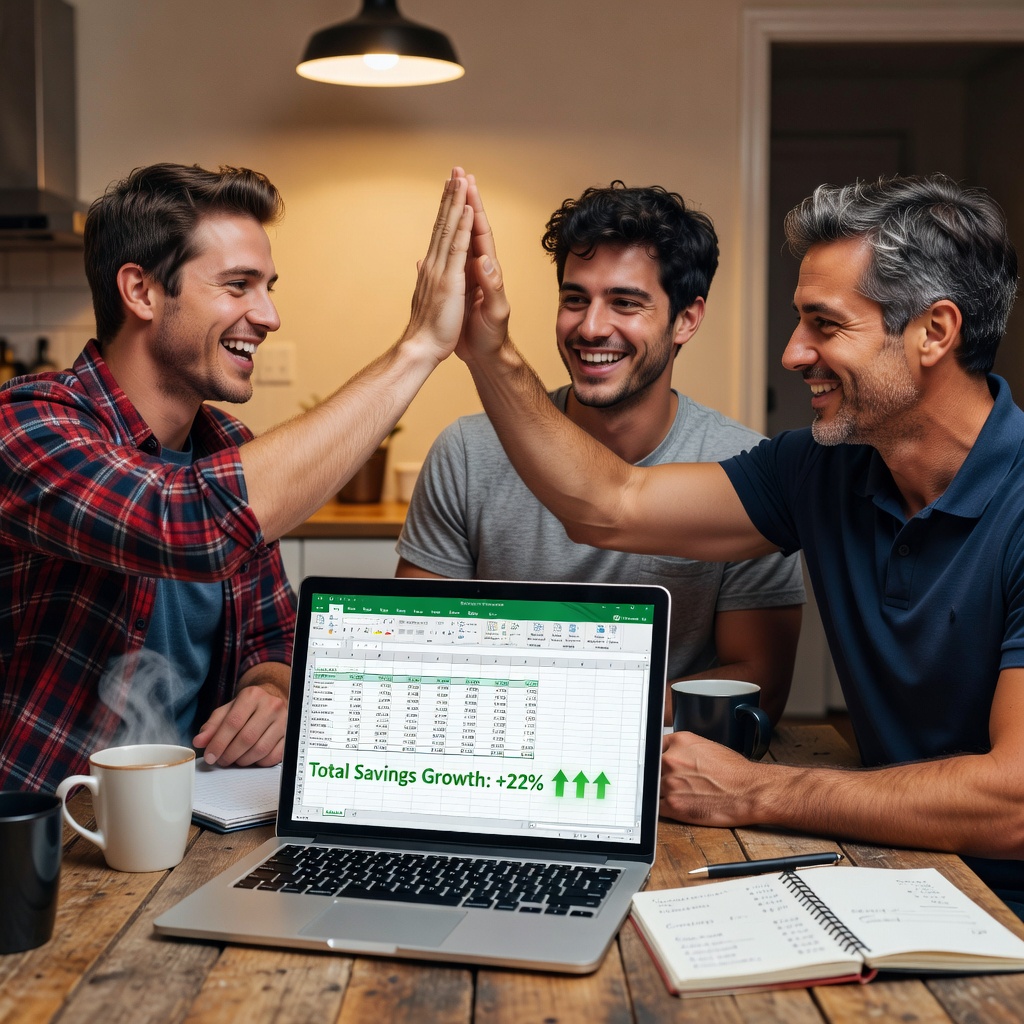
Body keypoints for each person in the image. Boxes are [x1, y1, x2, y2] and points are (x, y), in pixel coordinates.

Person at [453, 170, 1024, 909]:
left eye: (826, 324)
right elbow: (609, 503)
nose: (793, 353)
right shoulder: (820, 469)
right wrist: (489, 348)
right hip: (900, 874)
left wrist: (760, 790)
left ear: (934, 332)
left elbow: (1013, 801)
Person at [0, 162, 475, 790]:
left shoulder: (228, 445)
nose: (270, 315)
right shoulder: (25, 423)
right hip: (48, 833)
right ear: (141, 291)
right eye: (238, 285)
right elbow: (185, 524)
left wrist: (271, 690)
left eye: (268, 286)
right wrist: (415, 348)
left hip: (198, 818)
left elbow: (274, 638)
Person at [396, 182, 804, 720]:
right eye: (574, 299)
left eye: (626, 303)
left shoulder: (743, 466)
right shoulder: (468, 452)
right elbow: (415, 647)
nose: (591, 327)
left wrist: (573, 717)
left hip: (666, 766)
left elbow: (757, 681)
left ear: (687, 318)